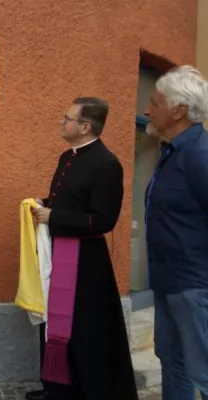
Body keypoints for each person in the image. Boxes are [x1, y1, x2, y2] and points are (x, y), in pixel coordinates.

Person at [26, 97, 138, 400]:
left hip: (86, 264)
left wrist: (55, 216)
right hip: (58, 252)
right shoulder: (68, 157)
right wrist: (45, 204)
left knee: (84, 332)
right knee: (55, 324)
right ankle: (58, 387)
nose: (62, 122)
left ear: (86, 126)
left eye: (68, 118)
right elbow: (71, 201)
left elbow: (103, 219)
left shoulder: (106, 164)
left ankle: (84, 390)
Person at [143, 65, 208, 400]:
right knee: (173, 362)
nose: (146, 109)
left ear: (178, 110)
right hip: (168, 283)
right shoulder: (170, 152)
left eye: (154, 102)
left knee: (204, 372)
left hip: (195, 287)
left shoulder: (200, 155)